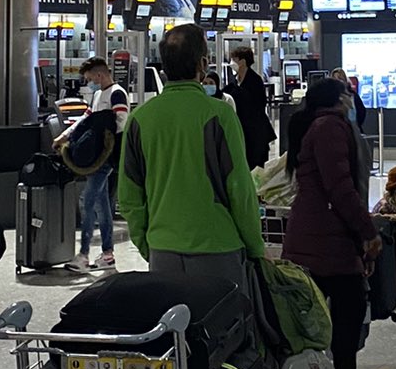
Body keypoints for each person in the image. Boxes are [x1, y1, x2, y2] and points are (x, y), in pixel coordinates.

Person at [117, 23, 265, 285]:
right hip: (219, 250)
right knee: (222, 325)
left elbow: (129, 194)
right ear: (203, 63)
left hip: (163, 251)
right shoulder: (220, 114)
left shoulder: (140, 119)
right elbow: (240, 190)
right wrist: (255, 249)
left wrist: (149, 244)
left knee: (174, 325)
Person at [283, 77, 380, 369]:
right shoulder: (330, 128)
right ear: (338, 100)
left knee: (312, 325)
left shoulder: (316, 125)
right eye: (348, 95)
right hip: (328, 244)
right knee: (346, 322)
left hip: (314, 241)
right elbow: (340, 187)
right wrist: (367, 232)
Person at [54, 58, 129, 269]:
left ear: (99, 75)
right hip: (98, 156)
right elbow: (84, 120)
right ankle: (107, 254)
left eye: (89, 79)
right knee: (102, 203)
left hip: (105, 157)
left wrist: (105, 143)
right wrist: (64, 136)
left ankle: (83, 255)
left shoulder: (117, 93)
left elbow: (122, 122)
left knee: (87, 200)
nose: (89, 83)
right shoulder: (98, 95)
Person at [226, 45, 275, 171]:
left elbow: (259, 104)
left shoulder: (255, 80)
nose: (232, 63)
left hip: (256, 134)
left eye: (234, 59)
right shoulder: (234, 81)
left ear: (242, 61)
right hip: (243, 131)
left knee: (256, 169)